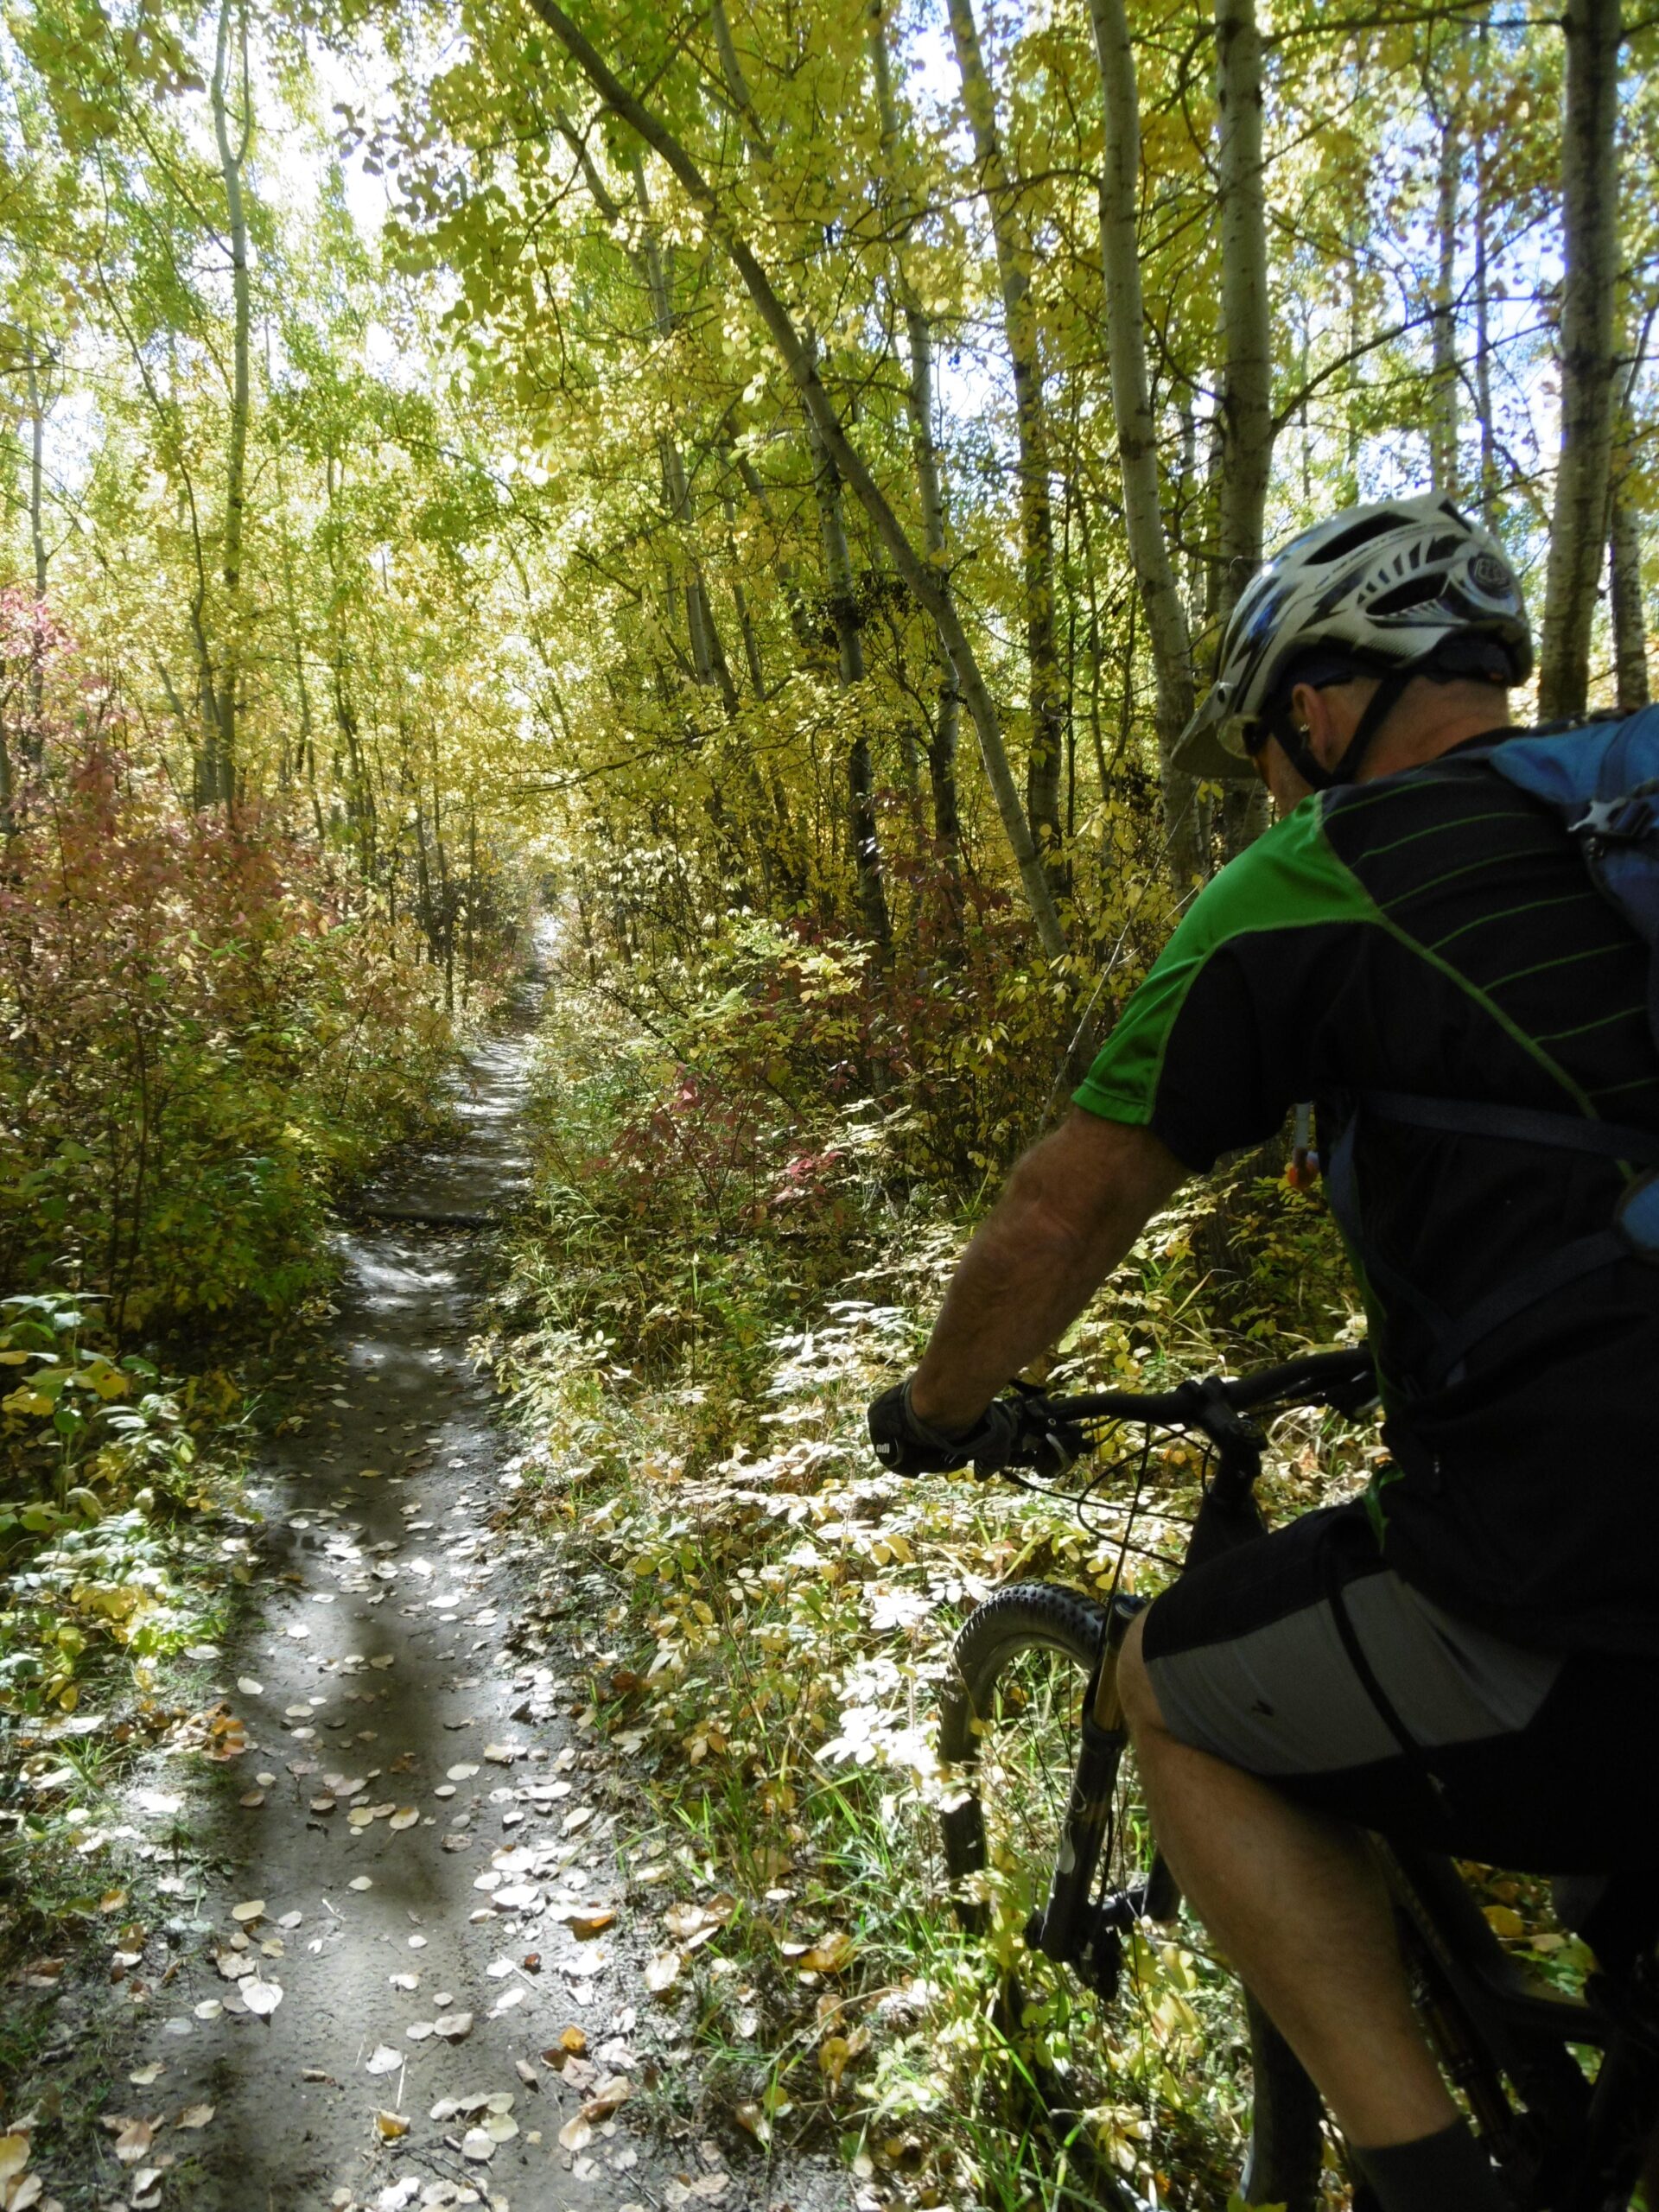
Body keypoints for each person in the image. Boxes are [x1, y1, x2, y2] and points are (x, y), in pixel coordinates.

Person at [868, 493, 1659, 2212]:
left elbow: (1063, 1206)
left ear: (1319, 702)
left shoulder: (1320, 871)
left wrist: (937, 1404)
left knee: (1169, 1684)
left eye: (1274, 746)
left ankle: (1423, 2176)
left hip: (1575, 1585)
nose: (1282, 784)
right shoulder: (1622, 835)